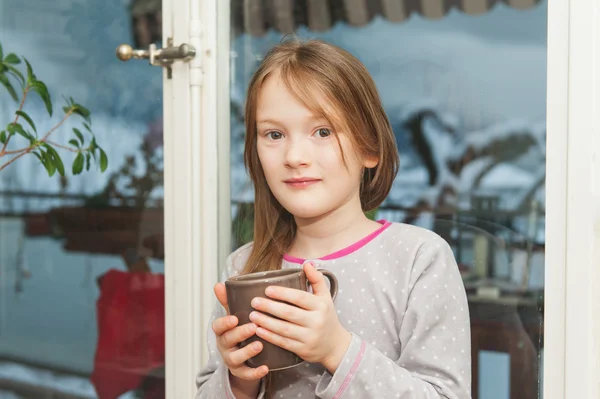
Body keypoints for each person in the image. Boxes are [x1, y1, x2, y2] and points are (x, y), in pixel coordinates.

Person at [195, 38, 471, 399]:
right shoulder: (243, 267)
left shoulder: (419, 259)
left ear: (370, 147)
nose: (295, 155)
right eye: (274, 134)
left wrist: (336, 349)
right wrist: (240, 379)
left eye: (322, 132)